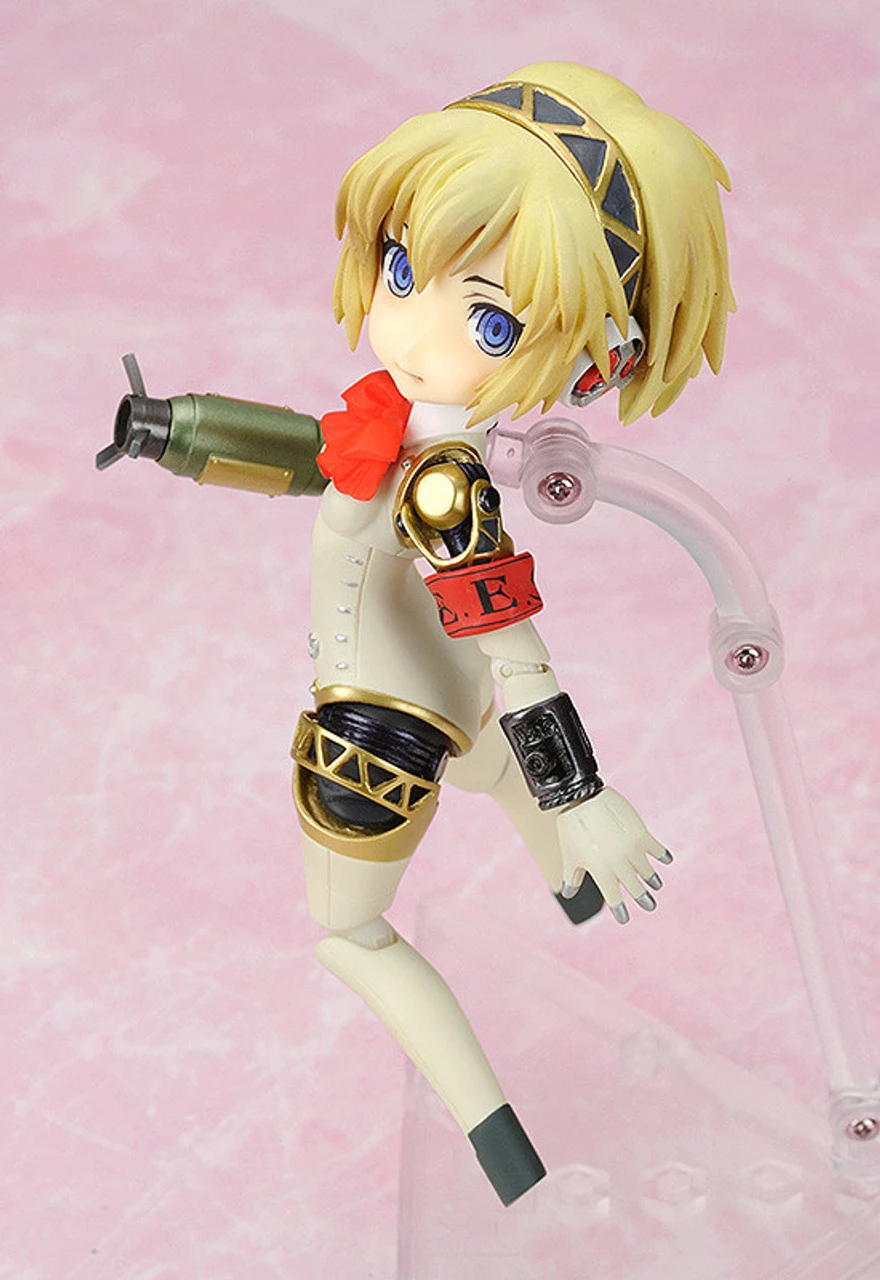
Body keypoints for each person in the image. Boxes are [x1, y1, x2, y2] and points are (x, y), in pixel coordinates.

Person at [99, 62, 734, 1205]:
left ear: (598, 357)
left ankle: (503, 1151)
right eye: (401, 266)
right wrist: (176, 432)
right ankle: (577, 897)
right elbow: (320, 458)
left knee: (351, 934)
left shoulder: (447, 486)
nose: (410, 322)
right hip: (453, 703)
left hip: (373, 738)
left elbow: (509, 635)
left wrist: (582, 791)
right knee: (489, 764)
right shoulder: (401, 432)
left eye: (489, 318)